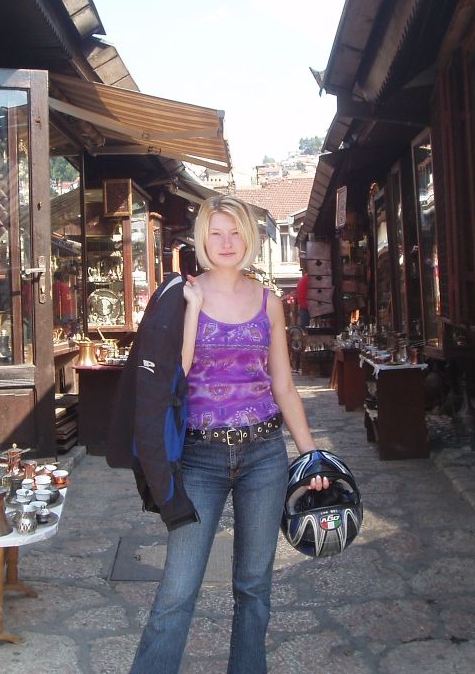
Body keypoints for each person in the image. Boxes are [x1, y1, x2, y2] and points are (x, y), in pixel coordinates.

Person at [130, 195, 328, 674]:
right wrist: (193, 311)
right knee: (178, 589)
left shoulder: (270, 302)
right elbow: (172, 379)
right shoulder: (181, 295)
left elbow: (283, 384)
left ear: (249, 238)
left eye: (235, 232)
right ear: (202, 238)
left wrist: (312, 454)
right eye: (216, 232)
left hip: (264, 455)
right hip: (200, 457)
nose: (226, 242)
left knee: (254, 587)